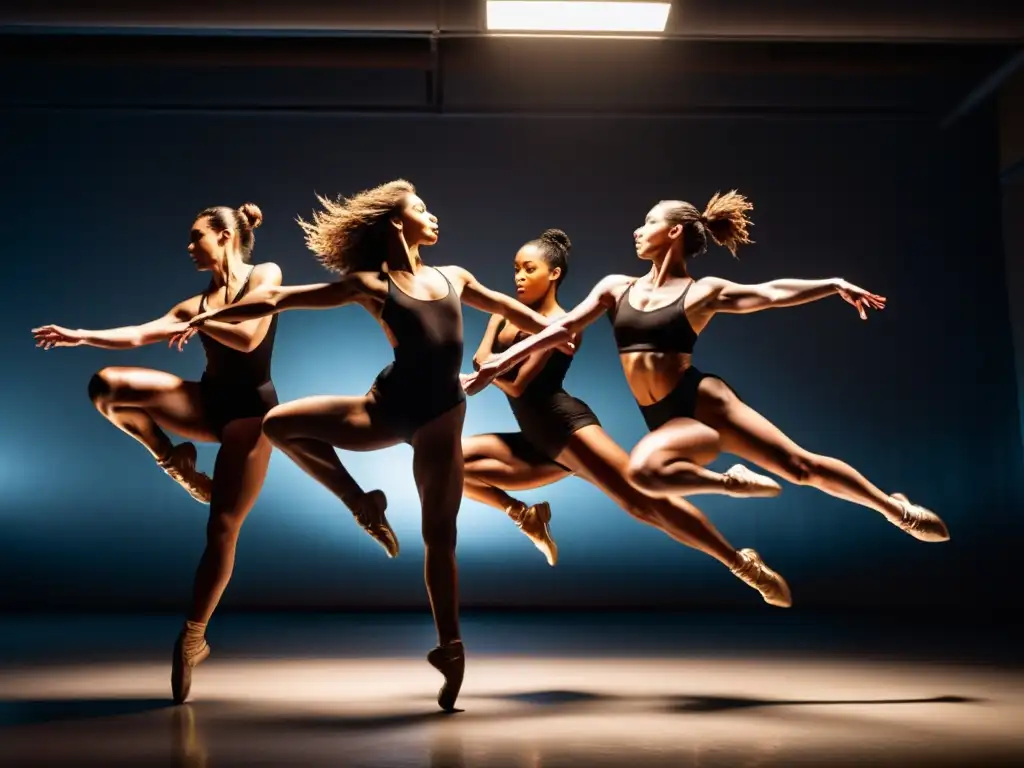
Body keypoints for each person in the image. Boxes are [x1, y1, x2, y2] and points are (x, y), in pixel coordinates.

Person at [171, 179, 565, 712]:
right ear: (398, 223)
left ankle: (450, 650)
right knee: (280, 423)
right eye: (421, 209)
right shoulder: (371, 284)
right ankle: (362, 502)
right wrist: (211, 315)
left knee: (438, 536)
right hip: (384, 408)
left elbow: (503, 305)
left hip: (439, 420)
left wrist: (553, 328)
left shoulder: (453, 277)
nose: (433, 216)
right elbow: (284, 298)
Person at [463, 191, 949, 562]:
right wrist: (498, 367)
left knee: (800, 467)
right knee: (644, 476)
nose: (638, 229)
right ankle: (730, 481)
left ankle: (895, 509)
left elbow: (772, 292)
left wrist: (832, 284)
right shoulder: (617, 287)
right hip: (666, 417)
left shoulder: (702, 292)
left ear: (674, 232)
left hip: (705, 401)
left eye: (649, 221)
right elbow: (560, 329)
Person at [32, 203, 284, 704]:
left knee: (222, 527)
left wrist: (206, 321)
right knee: (107, 386)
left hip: (250, 417)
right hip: (205, 404)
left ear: (226, 236)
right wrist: (81, 336)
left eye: (197, 237)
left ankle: (194, 635)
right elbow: (142, 332)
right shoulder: (197, 303)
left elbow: (249, 333)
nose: (190, 247)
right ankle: (176, 463)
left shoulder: (266, 274)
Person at [463, 228, 790, 607]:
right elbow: (481, 362)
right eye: (516, 268)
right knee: (448, 465)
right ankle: (525, 517)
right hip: (534, 438)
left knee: (642, 503)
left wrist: (487, 372)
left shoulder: (562, 325)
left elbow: (516, 385)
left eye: (529, 268)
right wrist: (485, 370)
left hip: (566, 429)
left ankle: (741, 563)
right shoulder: (502, 315)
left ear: (553, 274)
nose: (518, 276)